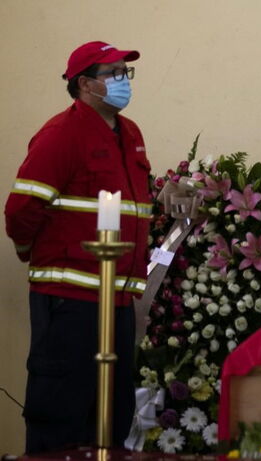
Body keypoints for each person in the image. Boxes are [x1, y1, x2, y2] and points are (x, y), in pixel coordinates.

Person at [5, 41, 152, 452]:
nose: (125, 81)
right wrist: (32, 255)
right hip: (71, 303)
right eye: (115, 73)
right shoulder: (61, 134)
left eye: (127, 73)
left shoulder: (131, 133)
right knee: (61, 416)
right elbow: (21, 211)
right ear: (86, 84)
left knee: (111, 418)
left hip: (118, 301)